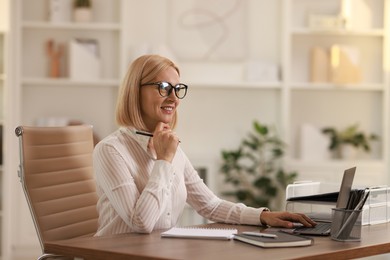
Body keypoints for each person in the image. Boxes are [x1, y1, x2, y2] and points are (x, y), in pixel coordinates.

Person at [93, 54, 316, 236]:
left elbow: (209, 205)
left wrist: (262, 216)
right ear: (135, 91)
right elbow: (140, 222)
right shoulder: (111, 150)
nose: (174, 98)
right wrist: (163, 161)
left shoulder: (170, 147)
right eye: (163, 87)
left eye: (177, 88)